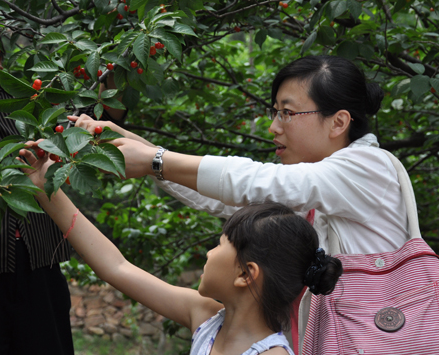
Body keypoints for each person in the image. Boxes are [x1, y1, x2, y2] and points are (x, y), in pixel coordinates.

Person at [70, 55, 408, 352]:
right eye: (275, 112)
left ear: (338, 122)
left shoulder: (369, 168)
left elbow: (253, 181)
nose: (274, 127)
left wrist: (156, 159)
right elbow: (222, 195)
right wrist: (134, 145)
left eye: (287, 113)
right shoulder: (311, 195)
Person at [17, 144, 343, 355]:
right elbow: (115, 267)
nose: (209, 254)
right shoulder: (204, 316)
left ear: (246, 273)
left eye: (221, 244)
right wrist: (47, 191)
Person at [0, 43, 125, 354]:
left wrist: (113, 56)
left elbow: (101, 122)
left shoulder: (34, 108)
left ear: (2, 61)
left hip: (41, 273)